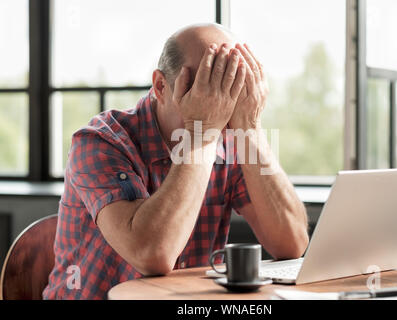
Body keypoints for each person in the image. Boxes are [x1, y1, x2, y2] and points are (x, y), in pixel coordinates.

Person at [43, 23, 309, 299]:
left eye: (231, 86)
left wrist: (250, 127)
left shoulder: (231, 141)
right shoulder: (100, 142)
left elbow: (291, 243)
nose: (219, 102)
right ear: (161, 86)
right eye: (205, 86)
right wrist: (201, 134)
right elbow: (152, 254)